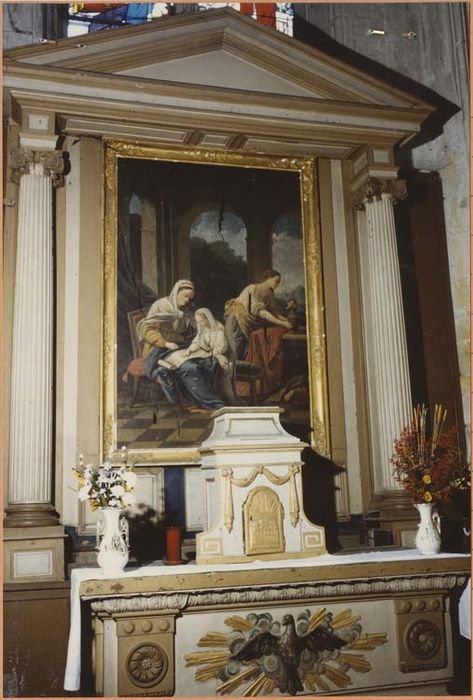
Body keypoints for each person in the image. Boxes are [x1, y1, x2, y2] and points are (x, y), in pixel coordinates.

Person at [224, 269, 292, 360]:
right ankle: (232, 367)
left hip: (249, 322)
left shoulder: (270, 293)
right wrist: (282, 323)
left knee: (244, 349)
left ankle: (240, 367)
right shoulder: (252, 289)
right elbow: (261, 312)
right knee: (235, 348)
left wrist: (285, 320)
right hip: (237, 319)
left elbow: (274, 311)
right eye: (276, 281)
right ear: (269, 278)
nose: (277, 284)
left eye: (279, 282)